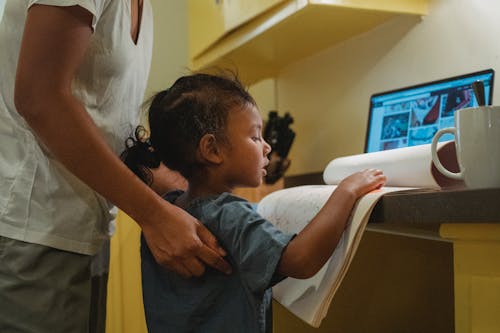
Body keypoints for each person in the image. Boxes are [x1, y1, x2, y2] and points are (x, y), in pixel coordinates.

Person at [0, 1, 230, 332]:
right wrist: (153, 215)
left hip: (85, 232)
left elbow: (106, 127)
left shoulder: (144, 9)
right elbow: (40, 98)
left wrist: (189, 189)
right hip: (32, 227)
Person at [122, 73, 387, 333]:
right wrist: (346, 192)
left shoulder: (169, 211)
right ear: (212, 150)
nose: (267, 147)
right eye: (255, 136)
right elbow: (300, 260)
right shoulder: (228, 214)